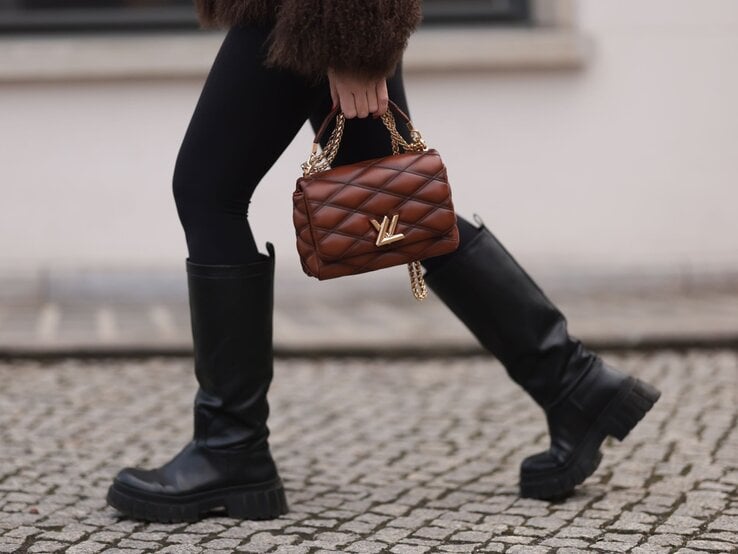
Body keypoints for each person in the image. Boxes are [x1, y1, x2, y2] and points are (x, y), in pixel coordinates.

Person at [106, 0, 661, 523]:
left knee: (208, 191)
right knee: (399, 206)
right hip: (315, 16)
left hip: (307, 15)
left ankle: (229, 450)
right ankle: (577, 387)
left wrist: (356, 42)